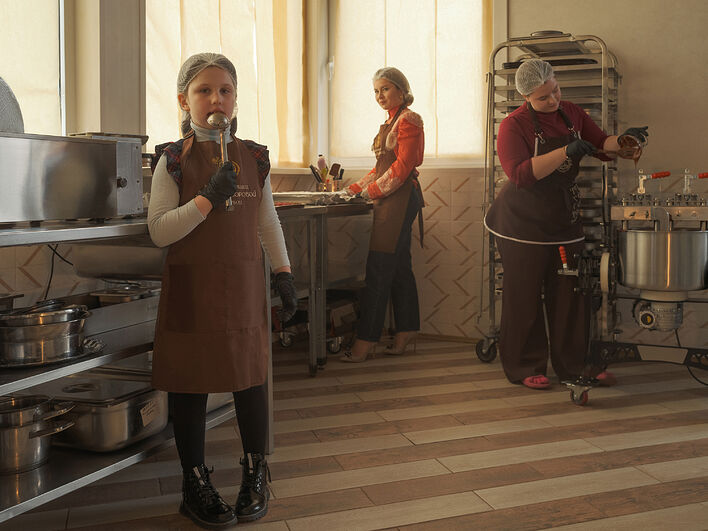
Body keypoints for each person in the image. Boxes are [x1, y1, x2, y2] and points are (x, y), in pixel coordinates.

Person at [147, 52, 297, 528]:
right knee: (191, 383)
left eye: (225, 91)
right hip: (193, 288)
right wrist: (208, 197)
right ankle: (194, 482)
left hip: (244, 286)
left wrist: (283, 273)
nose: (216, 99)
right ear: (184, 101)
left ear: (235, 100)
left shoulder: (254, 157)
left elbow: (266, 220)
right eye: (204, 90)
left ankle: (255, 473)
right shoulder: (172, 159)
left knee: (249, 379)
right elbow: (160, 231)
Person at [484, 59, 647, 390]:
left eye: (555, 91)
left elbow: (601, 143)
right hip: (521, 222)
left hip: (563, 216)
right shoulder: (513, 125)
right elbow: (520, 174)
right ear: (526, 97)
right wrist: (566, 152)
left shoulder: (571, 113)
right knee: (524, 295)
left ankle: (574, 365)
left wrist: (624, 141)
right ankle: (525, 365)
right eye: (543, 97)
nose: (553, 100)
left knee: (572, 293)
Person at [339, 67, 425, 362]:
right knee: (399, 267)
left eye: (385, 89)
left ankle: (365, 341)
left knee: (378, 268)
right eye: (376, 91)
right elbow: (381, 169)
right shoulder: (390, 122)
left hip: (400, 199)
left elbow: (402, 168)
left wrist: (370, 192)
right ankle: (406, 330)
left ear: (402, 90)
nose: (380, 95)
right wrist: (353, 189)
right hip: (391, 197)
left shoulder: (409, 119)